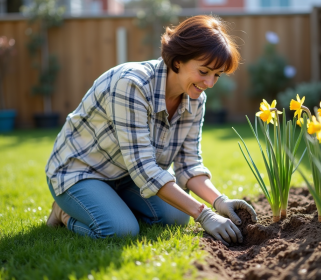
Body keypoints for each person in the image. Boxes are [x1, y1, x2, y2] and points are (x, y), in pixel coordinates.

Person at [45, 15, 257, 246]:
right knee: (120, 231)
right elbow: (144, 168)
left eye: (217, 75)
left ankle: (113, 206)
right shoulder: (131, 85)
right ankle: (64, 214)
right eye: (204, 71)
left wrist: (219, 202)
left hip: (126, 176)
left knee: (177, 217)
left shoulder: (196, 99)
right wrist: (204, 214)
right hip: (81, 172)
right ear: (178, 61)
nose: (210, 83)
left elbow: (189, 164)